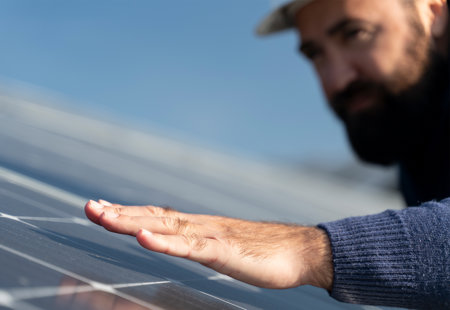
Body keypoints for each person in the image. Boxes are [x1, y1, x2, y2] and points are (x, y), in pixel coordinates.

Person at [84, 0, 450, 308]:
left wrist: (312, 249)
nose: (337, 79)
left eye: (356, 33)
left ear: (434, 11)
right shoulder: (417, 143)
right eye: (316, 54)